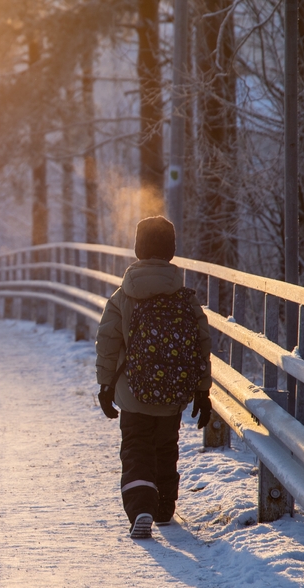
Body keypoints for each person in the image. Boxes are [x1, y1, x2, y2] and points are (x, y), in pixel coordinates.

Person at [95, 216, 212, 539]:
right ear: (171, 252)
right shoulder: (185, 297)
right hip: (173, 394)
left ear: (138, 249)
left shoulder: (123, 296)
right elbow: (201, 345)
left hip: (133, 391)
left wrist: (106, 385)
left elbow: (107, 343)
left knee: (136, 448)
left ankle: (141, 507)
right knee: (165, 446)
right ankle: (163, 507)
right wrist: (203, 391)